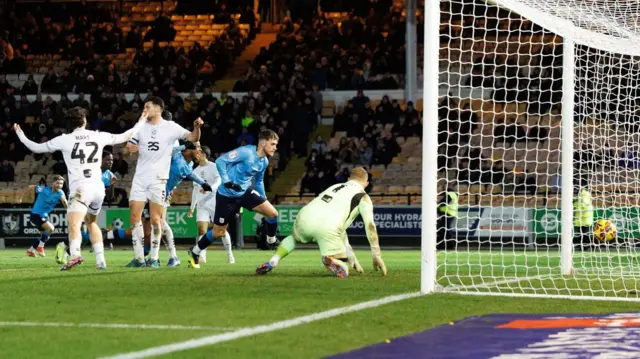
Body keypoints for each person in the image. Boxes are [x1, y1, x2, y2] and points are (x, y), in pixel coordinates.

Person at [13, 106, 146, 270]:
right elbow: (126, 135)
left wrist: (20, 133)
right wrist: (141, 121)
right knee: (92, 222)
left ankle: (75, 255)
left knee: (74, 224)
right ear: (84, 121)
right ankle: (101, 262)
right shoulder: (97, 135)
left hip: (81, 189)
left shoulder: (64, 139)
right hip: (98, 188)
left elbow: (35, 147)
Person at [256, 167, 385, 278]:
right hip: (327, 227)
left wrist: (351, 256)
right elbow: (370, 226)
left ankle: (273, 260)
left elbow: (342, 229)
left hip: (305, 215)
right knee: (343, 269)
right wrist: (376, 254)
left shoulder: (335, 186)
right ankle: (333, 259)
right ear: (366, 183)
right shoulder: (363, 197)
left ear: (349, 179)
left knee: (293, 238)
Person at [124, 97, 202, 268]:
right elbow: (128, 148)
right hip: (140, 178)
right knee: (135, 216)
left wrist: (196, 128)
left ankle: (154, 258)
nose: (144, 110)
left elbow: (192, 137)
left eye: (147, 107)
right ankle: (139, 259)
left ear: (158, 108)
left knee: (156, 220)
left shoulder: (171, 128)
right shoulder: (140, 126)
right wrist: (129, 149)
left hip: (159, 180)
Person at [186, 130, 280, 269]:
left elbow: (259, 181)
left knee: (273, 214)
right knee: (219, 232)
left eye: (276, 145)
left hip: (245, 192)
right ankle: (195, 251)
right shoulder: (246, 152)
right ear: (262, 142)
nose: (275, 147)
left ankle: (271, 239)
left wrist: (264, 199)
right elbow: (220, 161)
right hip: (226, 196)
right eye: (272, 144)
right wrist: (227, 181)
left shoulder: (264, 162)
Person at [157, 141, 212, 267]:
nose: (200, 151)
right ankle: (156, 257)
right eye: (197, 148)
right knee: (153, 225)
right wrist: (183, 146)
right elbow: (166, 152)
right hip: (154, 190)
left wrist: (203, 183)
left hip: (161, 195)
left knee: (159, 223)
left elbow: (189, 173)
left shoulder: (190, 164)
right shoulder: (176, 156)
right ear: (189, 149)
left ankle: (169, 257)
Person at [187, 145, 235, 264]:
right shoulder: (195, 170)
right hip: (202, 204)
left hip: (215, 202)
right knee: (201, 229)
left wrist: (210, 188)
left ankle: (230, 254)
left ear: (204, 154)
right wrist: (192, 207)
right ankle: (202, 255)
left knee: (221, 230)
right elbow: (195, 190)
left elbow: (219, 181)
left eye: (199, 152)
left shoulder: (214, 167)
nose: (197, 154)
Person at [20, 175, 67, 257]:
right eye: (57, 183)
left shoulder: (60, 193)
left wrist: (68, 208)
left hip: (44, 216)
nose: (59, 185)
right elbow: (30, 187)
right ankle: (40, 247)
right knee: (50, 228)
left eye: (61, 184)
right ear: (53, 183)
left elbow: (65, 202)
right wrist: (21, 196)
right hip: (36, 214)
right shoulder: (43, 189)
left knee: (45, 236)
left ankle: (31, 250)